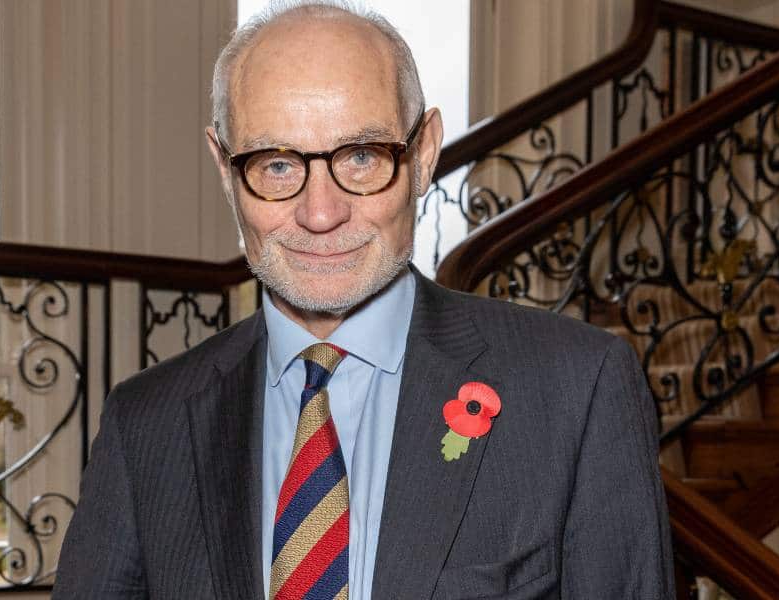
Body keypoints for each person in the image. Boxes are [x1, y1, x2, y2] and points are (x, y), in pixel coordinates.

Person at [53, 1, 674, 598]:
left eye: (360, 156)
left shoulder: (577, 389)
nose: (320, 213)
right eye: (275, 165)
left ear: (425, 153)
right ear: (224, 168)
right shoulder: (146, 425)